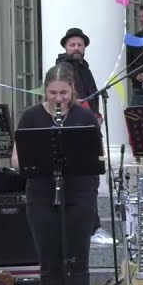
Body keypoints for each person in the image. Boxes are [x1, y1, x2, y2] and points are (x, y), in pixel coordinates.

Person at [11, 64, 101, 285]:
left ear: (72, 90)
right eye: (53, 93)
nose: (59, 98)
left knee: (77, 260)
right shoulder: (31, 117)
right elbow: (16, 161)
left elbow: (96, 157)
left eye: (64, 92)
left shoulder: (84, 118)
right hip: (41, 194)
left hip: (79, 193)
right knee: (49, 261)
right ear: (45, 91)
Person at [54, 27, 114, 246]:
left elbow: (92, 97)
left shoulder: (84, 68)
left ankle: (92, 226)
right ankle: (90, 227)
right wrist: (90, 116)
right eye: (73, 44)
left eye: (80, 45)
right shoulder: (63, 68)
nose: (77, 48)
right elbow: (74, 99)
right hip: (76, 129)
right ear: (65, 47)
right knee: (85, 180)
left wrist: (96, 116)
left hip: (89, 126)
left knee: (93, 178)